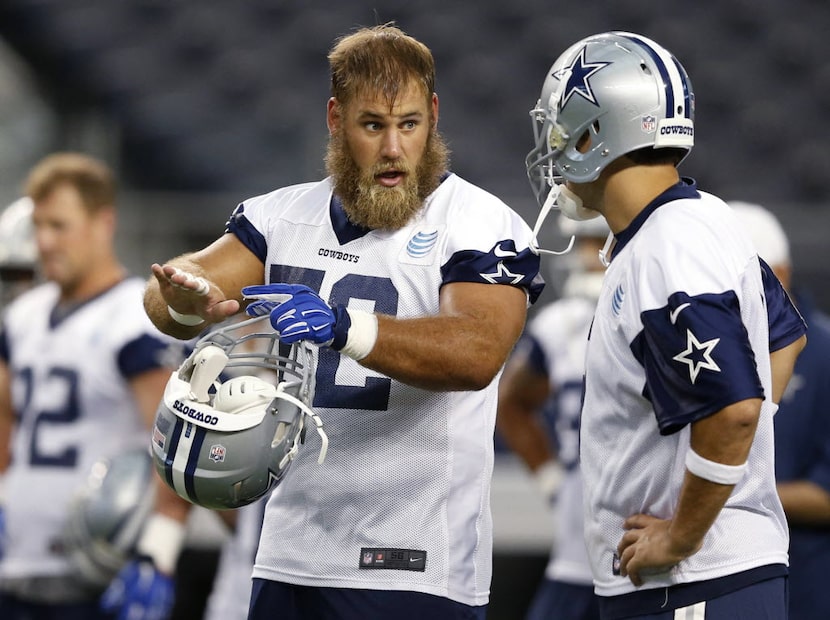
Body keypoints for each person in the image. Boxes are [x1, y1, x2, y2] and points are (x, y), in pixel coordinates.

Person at [140, 23, 543, 620]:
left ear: (433, 115)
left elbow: (478, 352)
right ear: (335, 119)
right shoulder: (281, 217)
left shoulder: (480, 224)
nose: (393, 149)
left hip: (416, 560)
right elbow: (172, 290)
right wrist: (184, 301)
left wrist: (345, 326)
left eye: (408, 124)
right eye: (372, 125)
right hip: (292, 550)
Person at [524, 31, 807, 619]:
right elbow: (786, 339)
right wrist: (737, 457)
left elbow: (733, 410)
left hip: (692, 580)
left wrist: (682, 531)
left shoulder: (665, 246)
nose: (552, 146)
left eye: (561, 126)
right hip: (707, 578)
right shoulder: (702, 218)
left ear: (594, 133)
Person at [0, 152, 186, 620]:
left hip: (95, 569)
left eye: (59, 225)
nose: (43, 241)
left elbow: (175, 441)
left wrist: (159, 548)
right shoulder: (22, 316)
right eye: (38, 225)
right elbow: (4, 419)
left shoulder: (135, 316)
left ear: (103, 223)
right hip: (15, 562)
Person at [496, 214, 608, 620]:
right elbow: (510, 403)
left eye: (597, 241)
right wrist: (552, 482)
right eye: (583, 242)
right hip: (575, 551)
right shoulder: (563, 325)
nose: (585, 255)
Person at [730, 201, 830, 620]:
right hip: (725, 569)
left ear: (779, 276)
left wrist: (712, 495)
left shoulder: (824, 355)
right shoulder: (714, 346)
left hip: (808, 579)